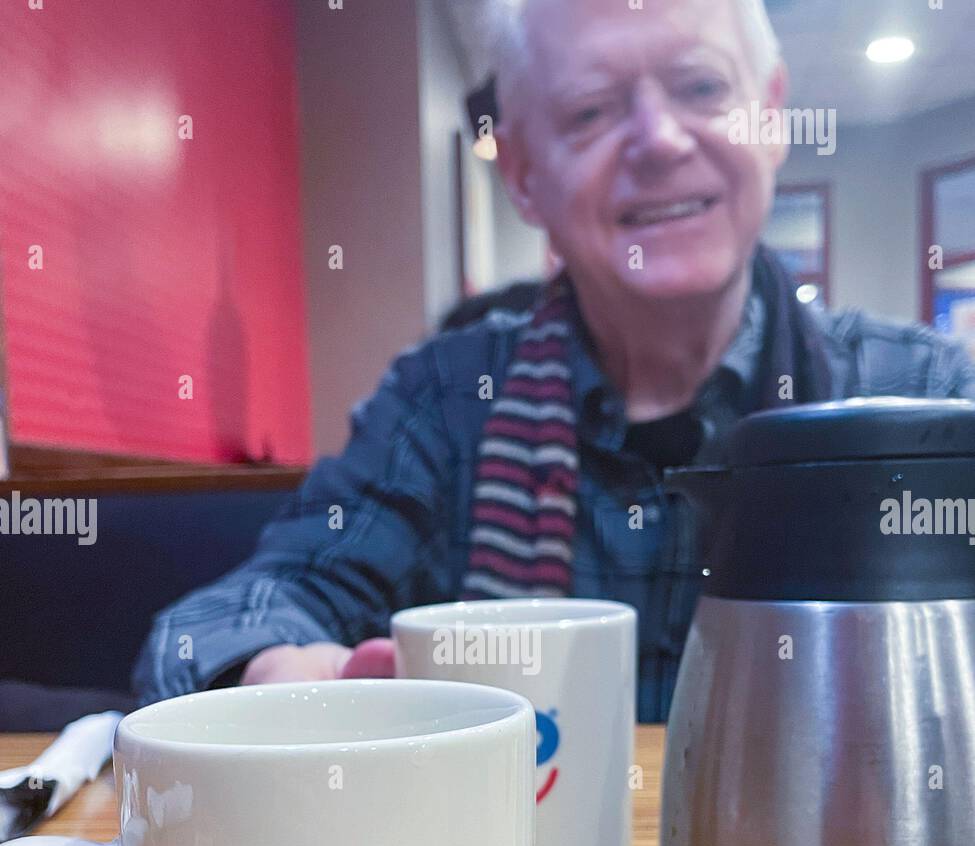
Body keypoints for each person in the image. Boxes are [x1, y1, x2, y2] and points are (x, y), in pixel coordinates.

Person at [134, 0, 975, 723]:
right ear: (525, 178)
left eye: (702, 88)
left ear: (773, 115)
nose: (658, 139)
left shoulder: (924, 399)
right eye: (589, 112)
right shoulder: (439, 405)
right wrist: (276, 673)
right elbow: (218, 623)